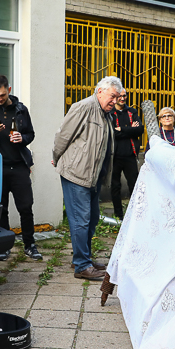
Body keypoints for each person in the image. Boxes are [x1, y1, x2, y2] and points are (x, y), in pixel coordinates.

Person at [52, 76, 119, 280]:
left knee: (90, 220)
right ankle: (82, 266)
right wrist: (56, 157)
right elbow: (63, 135)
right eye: (112, 96)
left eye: (117, 97)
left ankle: (83, 257)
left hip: (93, 176)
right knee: (81, 221)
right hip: (76, 174)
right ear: (100, 91)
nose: (115, 101)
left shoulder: (105, 113)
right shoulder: (84, 107)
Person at [0, 75, 41, 262]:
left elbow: (31, 134)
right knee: (1, 209)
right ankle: (4, 247)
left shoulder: (21, 110)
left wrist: (23, 138)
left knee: (26, 207)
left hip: (19, 166)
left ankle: (30, 245)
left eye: (2, 95)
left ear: (9, 90)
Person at [109, 88, 143, 220]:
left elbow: (139, 129)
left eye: (125, 96)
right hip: (115, 156)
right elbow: (113, 132)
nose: (122, 98)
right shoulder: (111, 113)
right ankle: (119, 216)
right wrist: (130, 129)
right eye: (120, 96)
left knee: (134, 185)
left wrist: (122, 129)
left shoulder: (132, 112)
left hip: (130, 155)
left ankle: (135, 215)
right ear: (115, 97)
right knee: (115, 186)